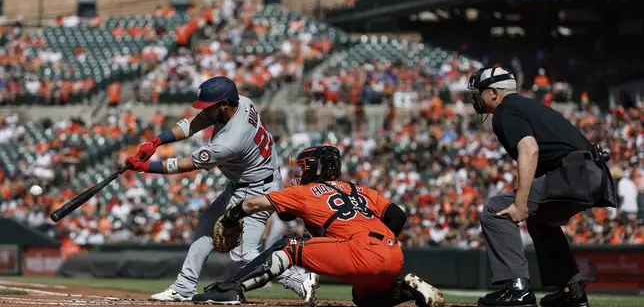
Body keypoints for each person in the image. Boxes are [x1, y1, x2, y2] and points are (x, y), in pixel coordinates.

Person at [125, 76, 317, 302]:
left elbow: (186, 164)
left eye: (210, 105)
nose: (205, 110)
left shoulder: (230, 141)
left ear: (224, 105)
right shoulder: (241, 102)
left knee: (246, 253)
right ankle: (184, 286)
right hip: (249, 182)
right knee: (207, 222)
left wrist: (147, 167)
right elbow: (194, 123)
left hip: (256, 190)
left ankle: (299, 280)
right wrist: (157, 141)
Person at [191, 145, 445, 307]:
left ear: (313, 168)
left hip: (362, 253)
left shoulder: (306, 191)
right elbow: (398, 216)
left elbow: (252, 205)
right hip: (393, 254)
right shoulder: (359, 189)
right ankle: (410, 290)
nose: (299, 173)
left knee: (290, 245)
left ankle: (231, 289)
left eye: (302, 167)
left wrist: (230, 216)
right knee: (364, 298)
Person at [468, 67, 616, 307]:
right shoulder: (527, 106)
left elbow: (530, 150)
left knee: (496, 209)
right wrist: (556, 208)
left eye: (479, 92)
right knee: (539, 220)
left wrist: (521, 202)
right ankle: (572, 291)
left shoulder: (506, 110)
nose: (475, 97)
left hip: (575, 175)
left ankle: (517, 289)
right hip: (592, 174)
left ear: (494, 92)